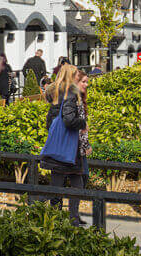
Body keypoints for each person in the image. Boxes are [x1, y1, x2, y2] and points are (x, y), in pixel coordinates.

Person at [42, 64, 90, 226]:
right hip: (69, 146)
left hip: (58, 146)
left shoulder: (56, 95)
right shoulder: (70, 94)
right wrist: (82, 123)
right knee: (77, 182)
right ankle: (72, 218)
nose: (79, 77)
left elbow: (50, 122)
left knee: (57, 183)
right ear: (72, 76)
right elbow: (69, 120)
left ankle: (55, 218)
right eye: (77, 75)